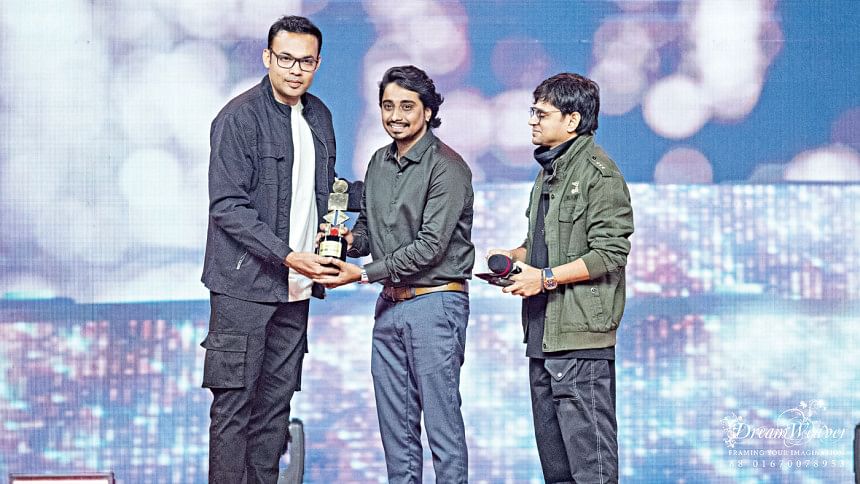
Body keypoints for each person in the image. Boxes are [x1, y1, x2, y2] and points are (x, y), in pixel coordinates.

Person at [199, 15, 361, 484]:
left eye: (305, 62)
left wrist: (380, 201)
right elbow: (227, 206)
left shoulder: (320, 116)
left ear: (318, 64)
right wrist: (289, 256)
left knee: (275, 410)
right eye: (286, 59)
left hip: (297, 290)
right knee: (234, 409)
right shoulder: (238, 118)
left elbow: (326, 190)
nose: (295, 70)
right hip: (243, 290)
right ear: (267, 58)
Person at [316, 65, 474, 484]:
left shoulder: (447, 167)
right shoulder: (378, 162)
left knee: (442, 429)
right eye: (388, 106)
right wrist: (344, 240)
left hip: (435, 303)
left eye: (407, 106)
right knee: (397, 436)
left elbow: (430, 247)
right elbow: (369, 230)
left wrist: (360, 275)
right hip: (389, 305)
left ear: (428, 111)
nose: (395, 116)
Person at [488, 73, 633, 483]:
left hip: (579, 343)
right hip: (542, 339)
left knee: (592, 472)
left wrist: (545, 278)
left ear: (572, 120)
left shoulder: (599, 175)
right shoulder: (549, 172)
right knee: (557, 473)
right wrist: (513, 259)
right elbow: (545, 245)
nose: (531, 120)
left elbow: (610, 253)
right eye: (532, 111)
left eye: (541, 113)